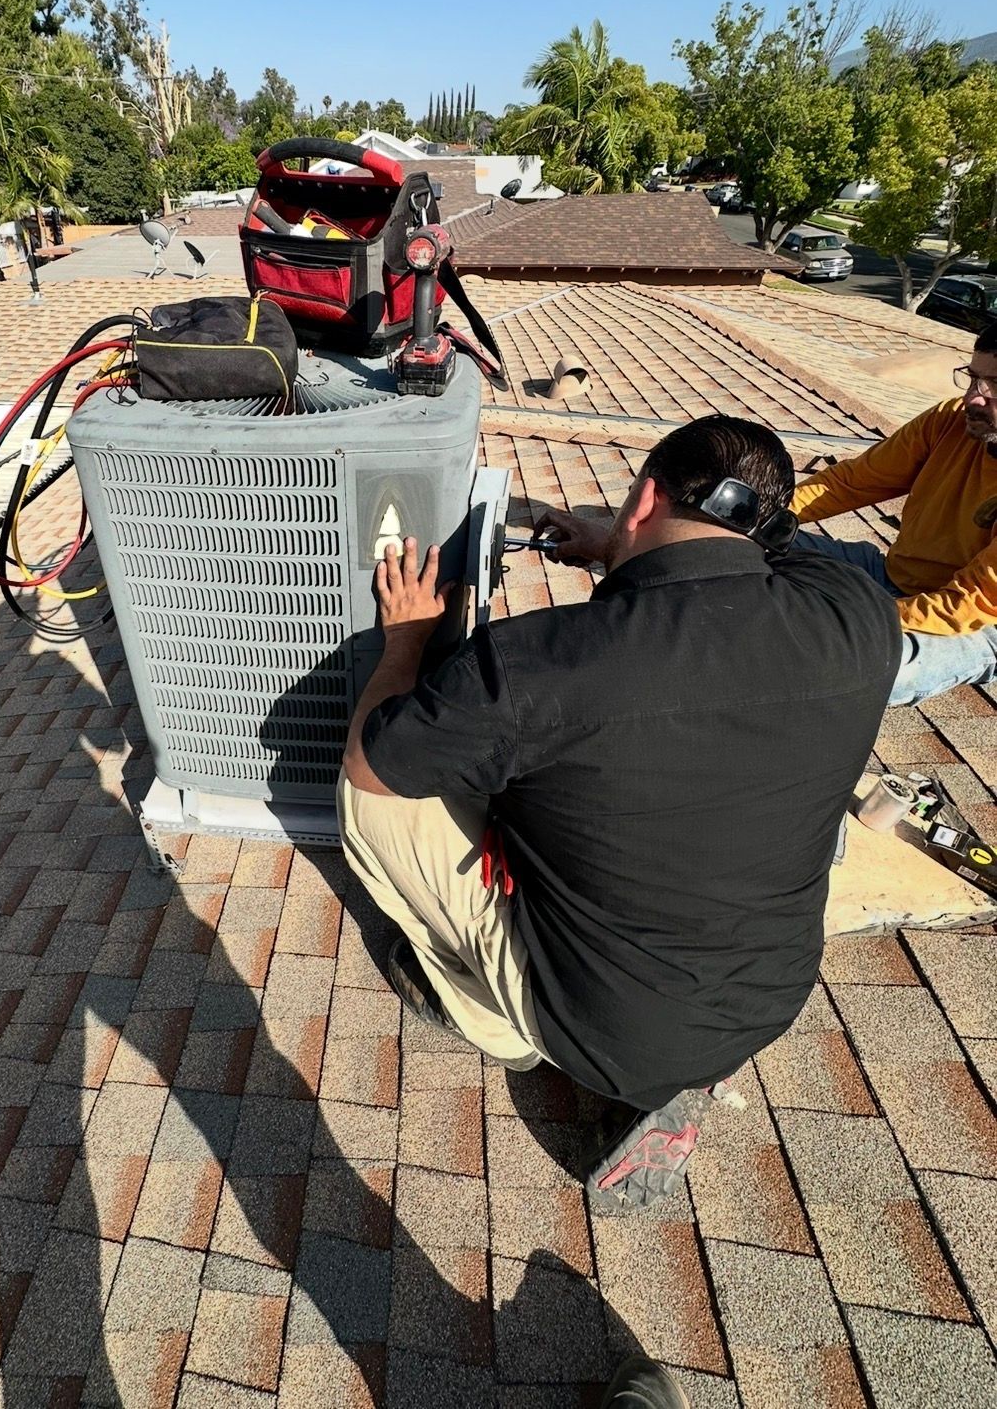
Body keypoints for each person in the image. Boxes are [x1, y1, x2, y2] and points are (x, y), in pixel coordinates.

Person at [339, 415, 899, 1207]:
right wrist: (623, 540)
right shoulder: (860, 617)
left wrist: (407, 639)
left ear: (643, 500)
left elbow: (375, 761)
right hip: (767, 997)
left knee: (373, 798)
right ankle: (679, 1070)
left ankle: (496, 1018)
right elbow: (770, 556)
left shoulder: (542, 663)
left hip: (606, 1031)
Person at [790, 324, 997, 707]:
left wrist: (852, 618)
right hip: (893, 576)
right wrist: (772, 516)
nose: (973, 399)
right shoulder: (948, 420)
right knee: (741, 534)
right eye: (973, 378)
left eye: (994, 385)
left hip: (976, 624)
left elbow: (965, 606)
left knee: (862, 668)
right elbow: (852, 481)